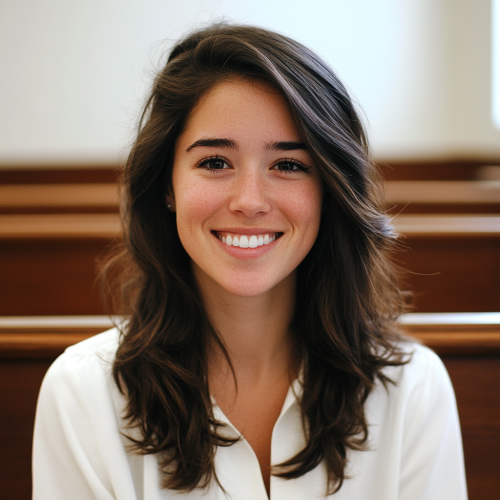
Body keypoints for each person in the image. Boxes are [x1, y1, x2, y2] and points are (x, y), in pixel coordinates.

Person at [32, 24, 467, 500]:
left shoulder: (412, 389)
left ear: (329, 191)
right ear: (166, 186)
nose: (250, 201)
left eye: (289, 164)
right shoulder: (83, 393)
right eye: (215, 162)